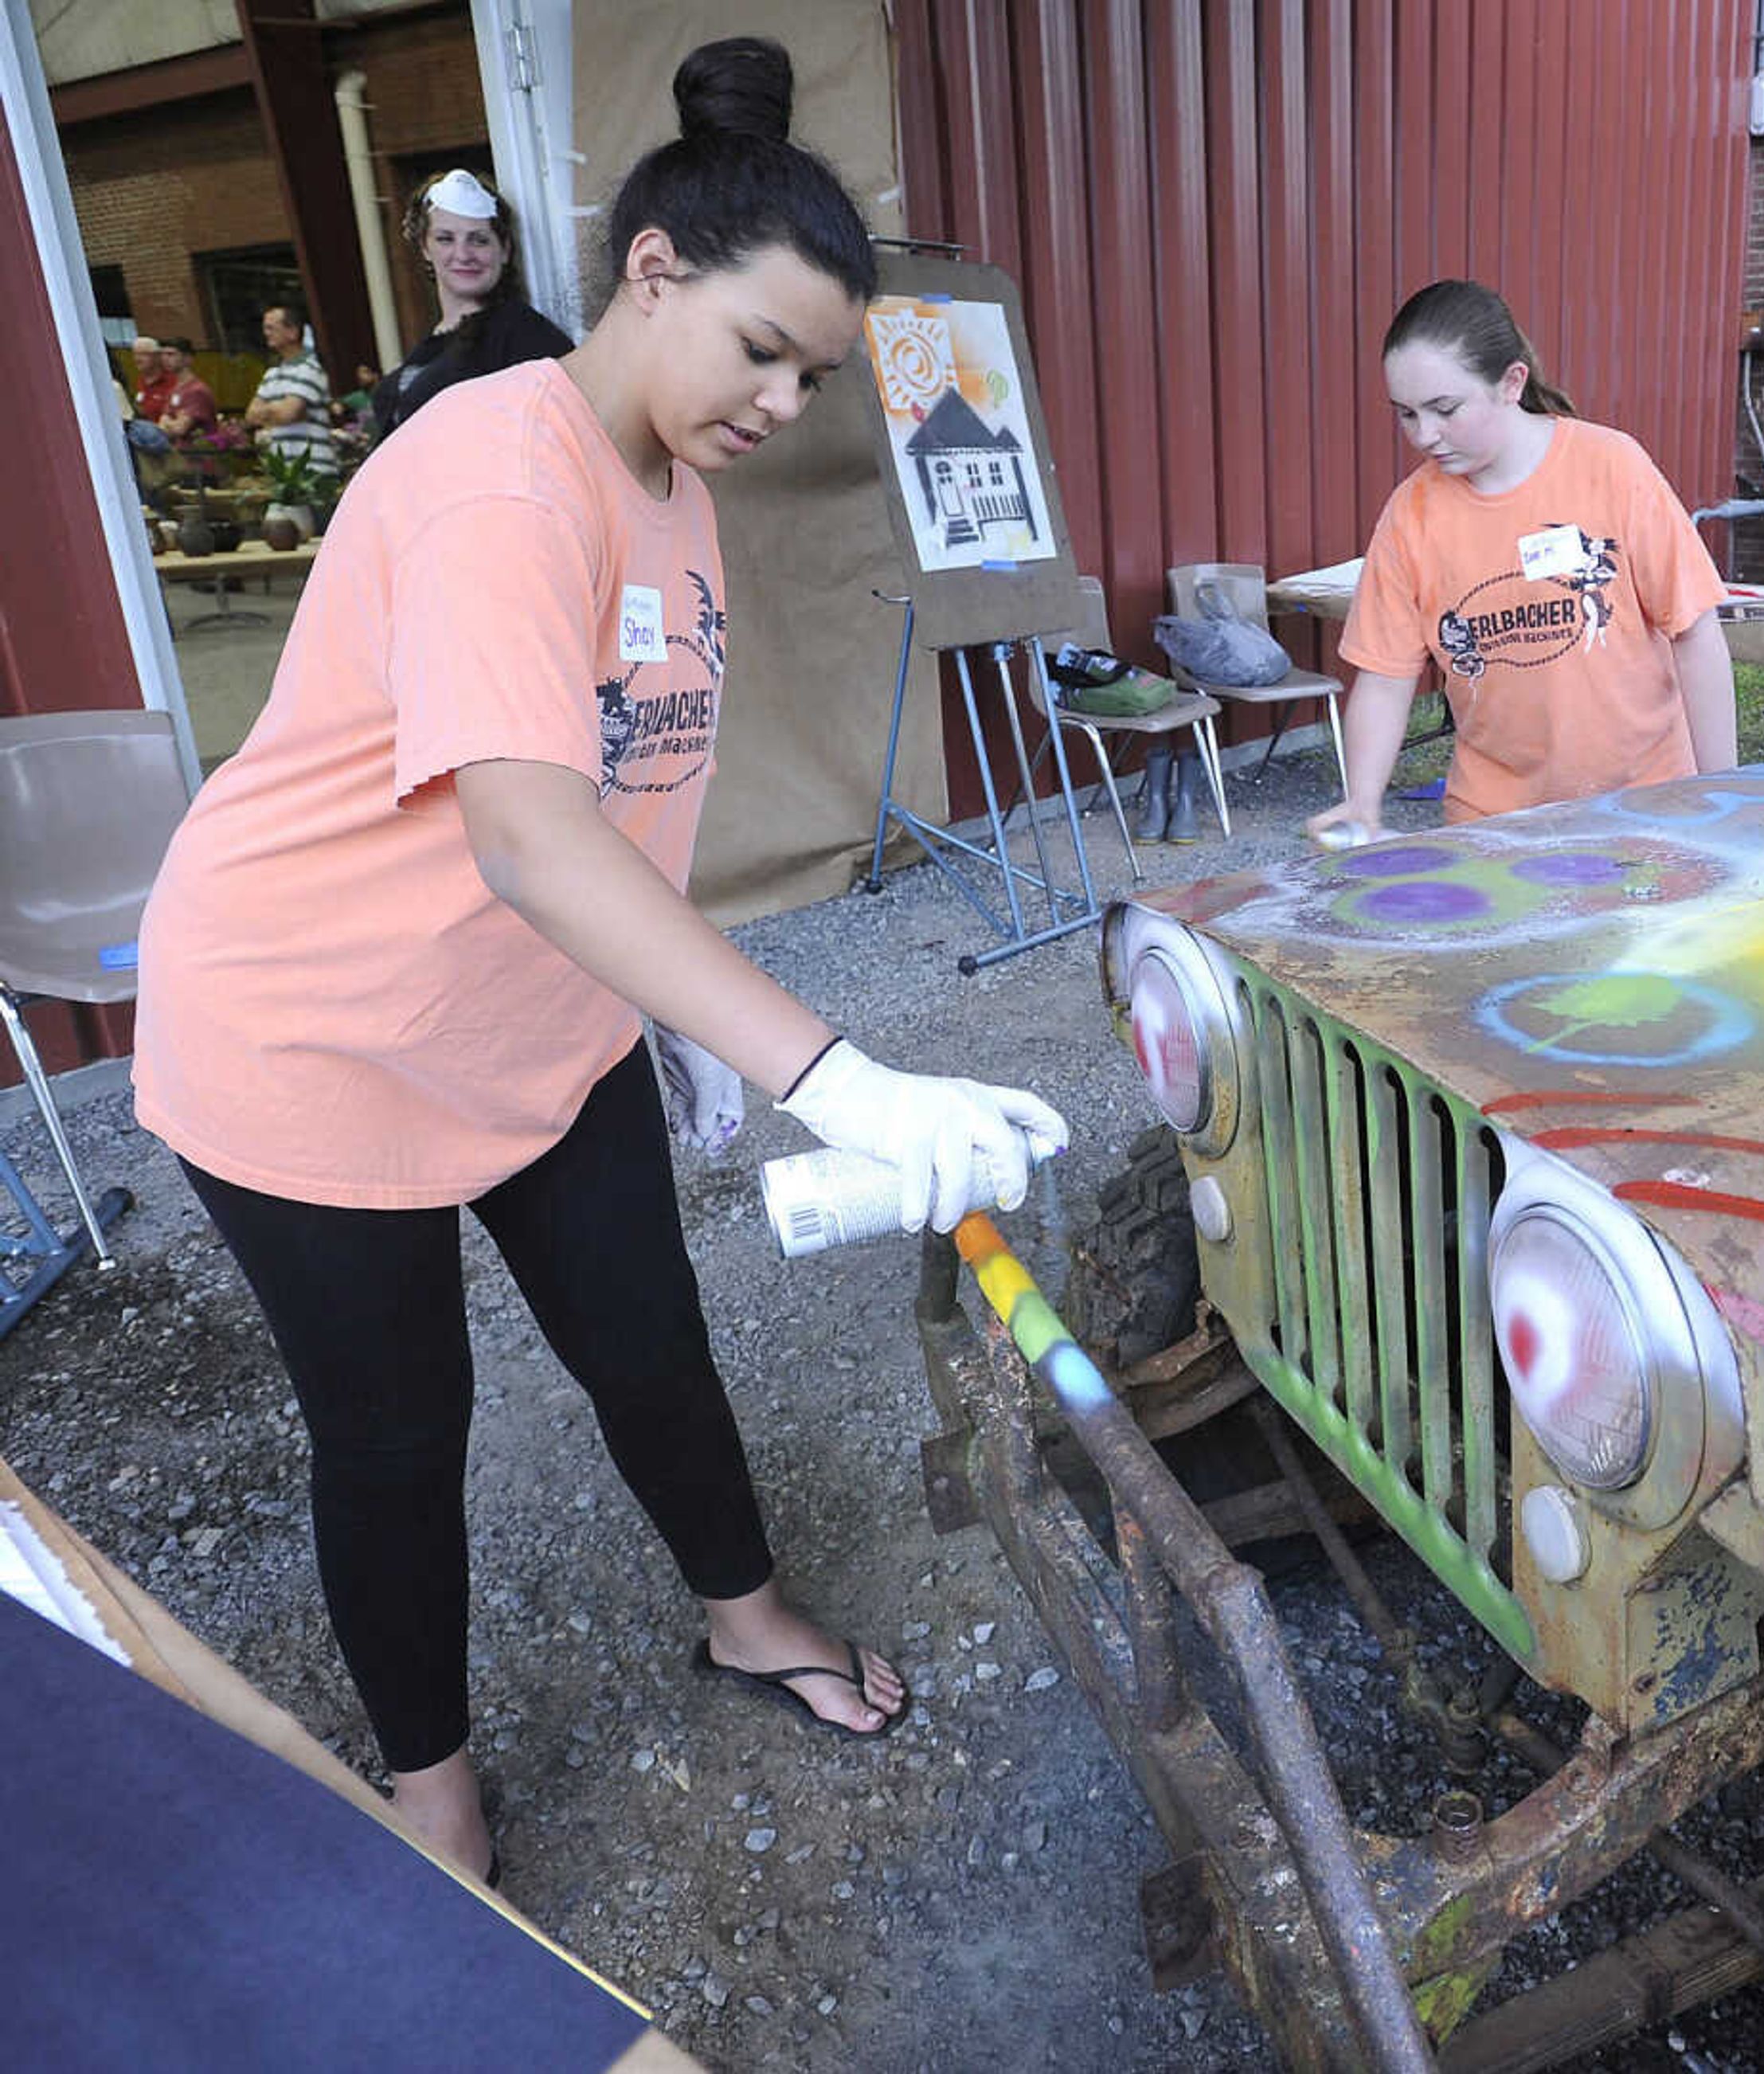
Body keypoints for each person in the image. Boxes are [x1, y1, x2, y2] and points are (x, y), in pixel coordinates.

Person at [131, 36, 1063, 1888]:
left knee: (648, 1340)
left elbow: (619, 803)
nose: (783, 399)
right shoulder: (500, 479)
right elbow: (528, 834)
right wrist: (838, 1075)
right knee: (400, 1435)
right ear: (651, 277)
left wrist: (668, 998)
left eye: (809, 372)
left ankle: (748, 1616)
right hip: (307, 1032)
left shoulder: (670, 485)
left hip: (533, 1012)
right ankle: (434, 1805)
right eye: (759, 350)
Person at [1307, 279, 1736, 841]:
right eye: (1407, 414)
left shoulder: (1612, 467)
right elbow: (1386, 679)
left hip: (1645, 807)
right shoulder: (1410, 516)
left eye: (1444, 409)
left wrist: (1726, 791)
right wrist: (1362, 805)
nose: (1424, 435)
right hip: (1495, 828)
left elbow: (1695, 632)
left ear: (1512, 383)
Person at [367, 166, 575, 446]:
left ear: (504, 250)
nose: (463, 255)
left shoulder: (521, 332)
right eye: (445, 239)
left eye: (479, 240)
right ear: (425, 248)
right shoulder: (433, 344)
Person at [242, 303, 336, 472]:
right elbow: (250, 416)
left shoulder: (310, 369)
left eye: (271, 328)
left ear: (292, 332)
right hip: (284, 471)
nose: (266, 333)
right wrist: (280, 409)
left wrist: (269, 411)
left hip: (314, 469)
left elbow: (288, 414)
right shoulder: (271, 374)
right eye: (265, 328)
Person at [147, 337, 219, 439]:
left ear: (188, 359)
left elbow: (180, 429)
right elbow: (162, 423)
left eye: (171, 354)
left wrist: (169, 422)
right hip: (179, 450)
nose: (165, 359)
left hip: (198, 452)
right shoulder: (174, 389)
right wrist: (172, 421)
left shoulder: (197, 391)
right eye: (163, 355)